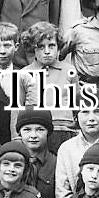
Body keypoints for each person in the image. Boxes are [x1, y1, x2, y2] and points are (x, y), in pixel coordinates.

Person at [14, 22, 79, 150]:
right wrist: (16, 138)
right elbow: (16, 109)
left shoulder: (69, 70)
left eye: (51, 46)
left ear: (58, 46)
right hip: (36, 132)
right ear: (33, 48)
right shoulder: (24, 73)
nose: (47, 51)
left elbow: (77, 104)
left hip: (65, 131)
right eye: (41, 47)